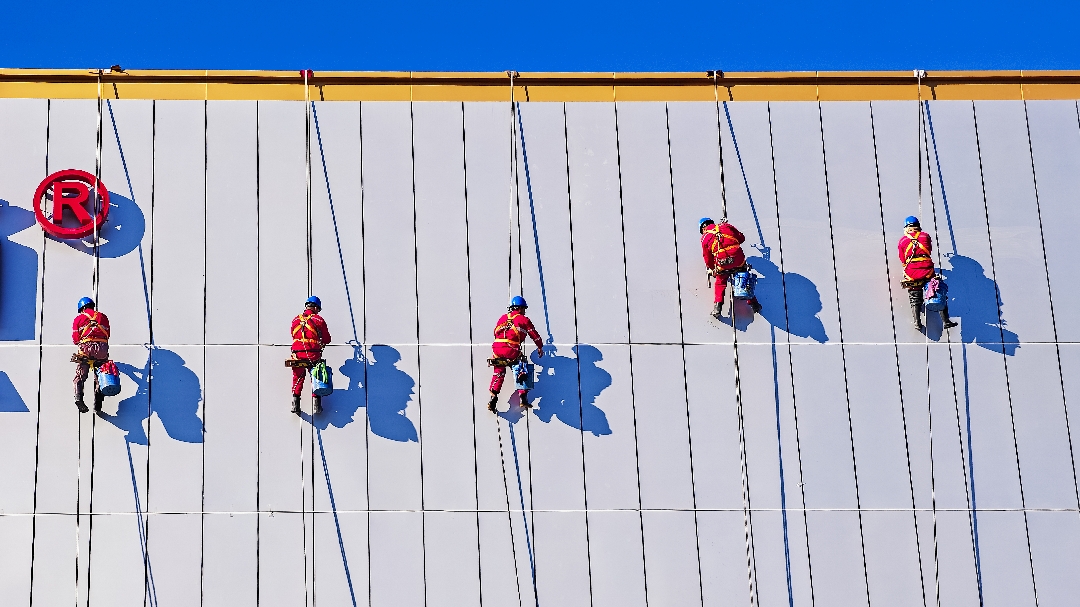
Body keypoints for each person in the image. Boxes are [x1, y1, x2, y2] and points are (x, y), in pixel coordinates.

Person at [898, 216, 957, 331]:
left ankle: (917, 322)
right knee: (937, 292)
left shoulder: (902, 240)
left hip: (912, 273)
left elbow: (902, 259)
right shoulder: (925, 236)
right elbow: (928, 250)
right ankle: (946, 321)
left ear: (906, 227)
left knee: (914, 297)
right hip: (927, 271)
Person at [487, 296, 544, 413]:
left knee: (499, 373)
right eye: (524, 309)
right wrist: (540, 346)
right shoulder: (523, 319)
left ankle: (493, 397)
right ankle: (523, 397)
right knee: (521, 368)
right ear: (520, 308)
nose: (524, 311)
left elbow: (495, 332)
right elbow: (534, 334)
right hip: (511, 349)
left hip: (497, 349)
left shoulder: (502, 318)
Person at [700, 217, 761, 317]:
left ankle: (717, 308)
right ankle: (754, 304)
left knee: (720, 282)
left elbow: (707, 257)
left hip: (722, 263)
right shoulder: (726, 226)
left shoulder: (704, 237)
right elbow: (741, 238)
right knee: (744, 279)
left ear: (702, 229)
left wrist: (712, 268)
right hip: (738, 260)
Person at [290, 296, 332, 414]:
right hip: (313, 355)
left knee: (297, 378)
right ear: (315, 307)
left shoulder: (295, 320)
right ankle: (316, 406)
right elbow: (327, 339)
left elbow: (294, 335)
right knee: (317, 376)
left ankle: (295, 404)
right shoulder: (319, 320)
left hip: (297, 354)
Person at [71, 297, 110, 413]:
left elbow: (75, 339)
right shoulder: (103, 317)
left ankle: (78, 397)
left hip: (86, 349)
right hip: (102, 349)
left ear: (82, 308)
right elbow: (107, 334)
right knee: (100, 375)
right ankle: (98, 402)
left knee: (80, 375)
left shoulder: (79, 318)